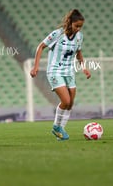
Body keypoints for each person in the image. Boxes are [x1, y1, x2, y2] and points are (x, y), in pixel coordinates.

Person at [30, 9, 91, 141]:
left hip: (69, 71)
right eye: (77, 26)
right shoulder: (57, 34)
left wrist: (84, 67)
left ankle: (60, 132)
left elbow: (78, 52)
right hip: (55, 71)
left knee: (70, 103)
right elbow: (40, 46)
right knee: (66, 101)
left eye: (81, 27)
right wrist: (35, 67)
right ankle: (56, 127)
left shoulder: (79, 37)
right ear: (70, 23)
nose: (78, 29)